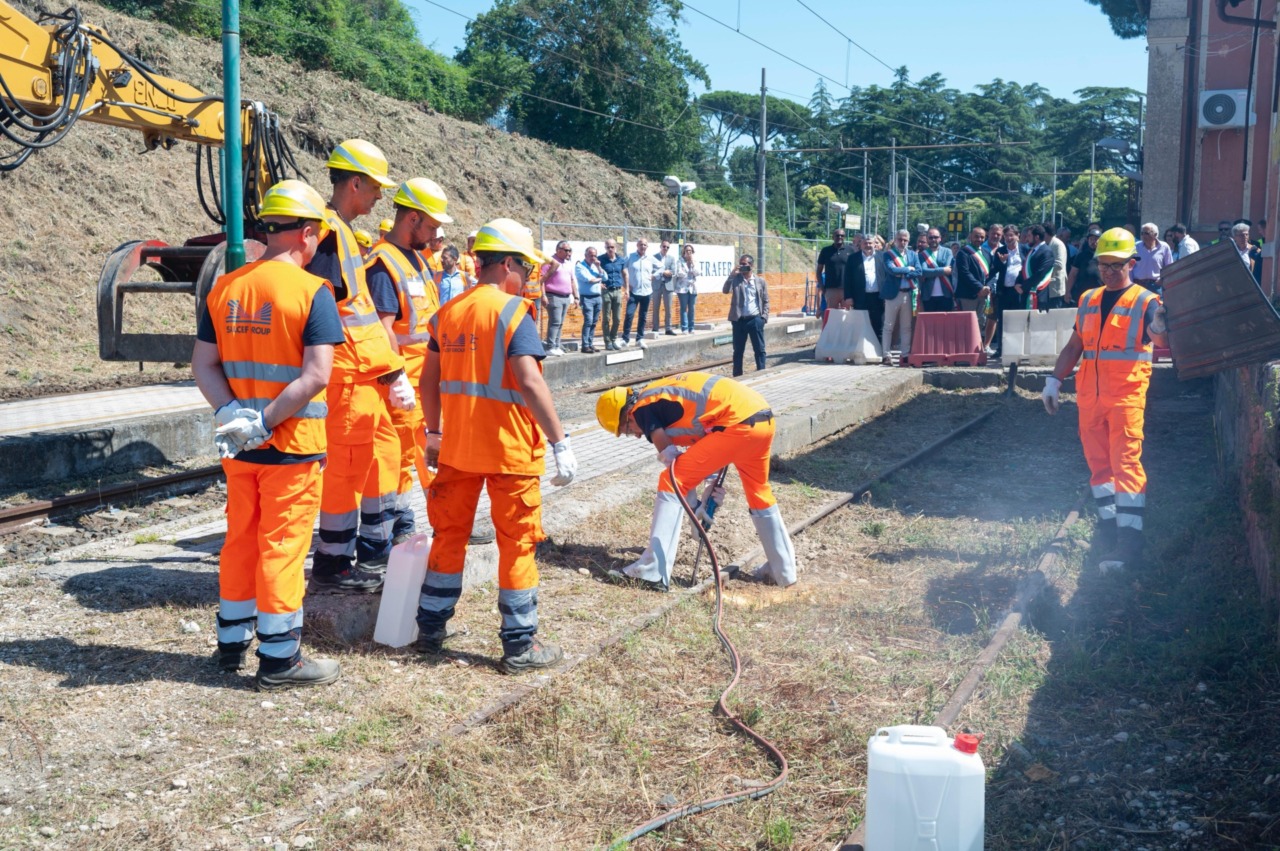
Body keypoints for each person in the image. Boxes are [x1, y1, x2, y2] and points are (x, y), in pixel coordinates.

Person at [191, 179, 343, 691]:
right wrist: (268, 419)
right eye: (318, 233)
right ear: (305, 233)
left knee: (240, 541)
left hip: (240, 447)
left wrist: (233, 412)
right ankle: (280, 657)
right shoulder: (312, 292)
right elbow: (316, 376)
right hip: (291, 445)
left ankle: (230, 643)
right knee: (282, 545)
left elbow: (203, 364)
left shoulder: (225, 287)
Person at [416, 217, 578, 674]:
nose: (527, 279)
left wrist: (434, 432)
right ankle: (520, 646)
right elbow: (529, 381)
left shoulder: (447, 313)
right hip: (509, 452)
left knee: (449, 537)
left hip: (457, 451)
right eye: (525, 269)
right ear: (507, 263)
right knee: (516, 545)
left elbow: (428, 381)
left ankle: (430, 627)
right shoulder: (513, 313)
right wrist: (560, 442)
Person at [306, 139, 406, 593]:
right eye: (375, 189)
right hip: (345, 375)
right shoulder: (330, 234)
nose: (379, 198)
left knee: (364, 462)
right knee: (345, 472)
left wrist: (387, 369)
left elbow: (354, 311)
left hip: (360, 374)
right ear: (355, 183)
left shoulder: (340, 232)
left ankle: (359, 551)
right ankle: (332, 563)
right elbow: (327, 312)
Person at [595, 372, 797, 590]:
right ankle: (783, 572)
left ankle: (651, 571)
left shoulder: (642, 407)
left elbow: (672, 463)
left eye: (626, 430)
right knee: (759, 493)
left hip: (735, 423)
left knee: (669, 481)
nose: (635, 435)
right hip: (761, 420)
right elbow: (707, 451)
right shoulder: (663, 398)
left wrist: (693, 508)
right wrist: (708, 489)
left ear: (627, 416)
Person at [1043, 227, 1167, 572]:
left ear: (1132, 262)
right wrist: (1054, 379)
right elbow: (1074, 346)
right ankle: (1108, 528)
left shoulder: (1146, 301)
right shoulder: (1088, 299)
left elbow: (1161, 339)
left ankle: (1129, 543)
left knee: (1126, 466)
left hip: (1126, 399)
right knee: (1099, 467)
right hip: (1090, 399)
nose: (1109, 271)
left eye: (1116, 264)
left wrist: (1160, 324)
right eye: (1103, 264)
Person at [365, 177, 450, 545]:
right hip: (401, 386)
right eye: (430, 226)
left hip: (424, 381)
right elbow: (383, 328)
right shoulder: (383, 264)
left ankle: (433, 521)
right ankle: (401, 527)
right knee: (402, 461)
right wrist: (397, 378)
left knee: (428, 456)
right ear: (412, 219)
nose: (435, 235)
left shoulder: (415, 258)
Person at [723, 253, 769, 376]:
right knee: (738, 351)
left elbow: (765, 300)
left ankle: (761, 373)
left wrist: (763, 318)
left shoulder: (760, 281)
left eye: (744, 264)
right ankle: (737, 376)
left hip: (755, 319)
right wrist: (731, 276)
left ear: (751, 265)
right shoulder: (736, 280)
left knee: (759, 349)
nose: (741, 266)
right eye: (740, 264)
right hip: (739, 320)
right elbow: (725, 290)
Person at [881, 229, 920, 364]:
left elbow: (919, 271)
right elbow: (891, 270)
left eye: (905, 240)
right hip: (893, 294)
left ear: (908, 241)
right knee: (888, 326)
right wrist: (909, 269)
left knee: (906, 326)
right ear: (895, 240)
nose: (902, 242)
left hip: (908, 294)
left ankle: (905, 355)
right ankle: (886, 355)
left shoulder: (913, 255)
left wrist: (904, 273)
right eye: (899, 239)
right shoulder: (888, 255)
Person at [843, 231, 886, 342]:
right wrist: (848, 297)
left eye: (870, 243)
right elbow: (847, 279)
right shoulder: (853, 258)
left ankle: (878, 352)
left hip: (878, 297)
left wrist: (887, 295)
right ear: (861, 244)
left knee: (878, 326)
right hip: (860, 297)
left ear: (874, 244)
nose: (868, 246)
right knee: (860, 326)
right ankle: (859, 351)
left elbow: (886, 277)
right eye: (865, 243)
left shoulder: (882, 257)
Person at [988, 226, 1023, 357]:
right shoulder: (1000, 251)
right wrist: (1002, 262)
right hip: (1004, 291)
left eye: (1011, 235)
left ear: (1017, 236)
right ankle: (1001, 349)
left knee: (1019, 319)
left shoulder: (1025, 250)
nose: (1008, 238)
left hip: (1019, 291)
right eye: (1006, 236)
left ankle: (1018, 348)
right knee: (1002, 320)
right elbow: (994, 270)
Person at [540, 240, 577, 356]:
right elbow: (541, 279)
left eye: (570, 250)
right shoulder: (550, 262)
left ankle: (556, 345)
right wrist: (543, 295)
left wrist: (576, 296)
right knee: (555, 322)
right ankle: (550, 346)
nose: (569, 253)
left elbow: (572, 281)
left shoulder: (567, 264)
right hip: (553, 296)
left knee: (560, 323)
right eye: (566, 250)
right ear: (558, 250)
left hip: (566, 297)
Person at [621, 238, 657, 348]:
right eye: (641, 244)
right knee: (629, 314)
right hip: (634, 291)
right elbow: (621, 269)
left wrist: (654, 275)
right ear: (637, 245)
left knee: (643, 316)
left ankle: (640, 339)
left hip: (646, 292)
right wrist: (625, 284)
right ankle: (625, 339)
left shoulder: (650, 258)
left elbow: (662, 267)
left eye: (645, 245)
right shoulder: (630, 257)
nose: (643, 247)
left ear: (647, 247)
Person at [954, 227, 991, 333]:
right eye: (976, 236)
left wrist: (988, 287)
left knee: (981, 322)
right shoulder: (963, 253)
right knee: (967, 323)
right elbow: (964, 273)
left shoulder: (986, 253)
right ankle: (965, 348)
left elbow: (991, 273)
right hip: (968, 295)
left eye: (982, 237)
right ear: (970, 236)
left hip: (984, 295)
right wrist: (980, 287)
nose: (979, 239)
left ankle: (976, 347)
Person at [816, 228, 854, 313]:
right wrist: (822, 287)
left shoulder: (850, 250)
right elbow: (819, 271)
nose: (839, 237)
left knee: (846, 316)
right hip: (831, 289)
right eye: (837, 235)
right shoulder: (825, 251)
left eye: (842, 236)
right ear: (833, 237)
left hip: (846, 289)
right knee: (832, 316)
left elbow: (854, 271)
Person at [917, 228, 954, 312]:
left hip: (946, 294)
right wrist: (942, 270)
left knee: (945, 323)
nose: (933, 239)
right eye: (930, 237)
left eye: (935, 237)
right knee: (929, 324)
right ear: (927, 239)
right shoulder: (922, 255)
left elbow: (948, 270)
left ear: (940, 238)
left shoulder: (948, 252)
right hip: (928, 296)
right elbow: (924, 271)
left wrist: (932, 271)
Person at [575, 245, 605, 353]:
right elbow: (589, 280)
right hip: (587, 297)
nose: (593, 258)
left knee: (594, 322)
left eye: (595, 256)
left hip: (597, 297)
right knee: (588, 321)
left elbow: (605, 277)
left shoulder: (595, 266)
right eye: (591, 255)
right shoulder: (580, 267)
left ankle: (591, 343)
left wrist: (599, 268)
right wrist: (599, 279)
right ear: (585, 255)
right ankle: (585, 345)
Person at [598, 238, 626, 350]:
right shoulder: (600, 259)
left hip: (618, 290)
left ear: (616, 247)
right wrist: (599, 283)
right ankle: (607, 341)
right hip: (606, 291)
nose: (610, 249)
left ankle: (614, 339)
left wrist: (627, 288)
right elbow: (594, 272)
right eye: (608, 247)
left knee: (618, 318)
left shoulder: (621, 260)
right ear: (605, 248)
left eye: (612, 247)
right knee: (606, 318)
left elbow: (625, 274)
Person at [1020, 225, 1055, 310]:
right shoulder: (1031, 251)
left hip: (1039, 295)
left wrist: (1023, 286)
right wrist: (1018, 283)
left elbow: (1040, 274)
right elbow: (1023, 269)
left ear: (1036, 237)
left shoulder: (1047, 251)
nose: (1026, 239)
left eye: (1029, 236)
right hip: (1027, 293)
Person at [1132, 223, 1173, 293]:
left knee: (1156, 304)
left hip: (1155, 286)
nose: (1143, 236)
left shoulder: (1164, 247)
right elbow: (1129, 266)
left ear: (1155, 235)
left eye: (1146, 233)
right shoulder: (1136, 247)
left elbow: (1169, 267)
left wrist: (1162, 280)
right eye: (1142, 233)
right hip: (1138, 285)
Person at [1067, 227, 1102, 305]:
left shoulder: (1104, 256)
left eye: (1096, 239)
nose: (1093, 241)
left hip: (1100, 292)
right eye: (1091, 239)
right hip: (1083, 292)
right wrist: (1068, 291)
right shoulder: (1081, 255)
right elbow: (1073, 274)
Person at [651, 239, 678, 335]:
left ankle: (668, 328)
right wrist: (663, 272)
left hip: (668, 285)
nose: (665, 248)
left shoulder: (671, 258)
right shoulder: (654, 257)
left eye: (667, 247)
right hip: (657, 285)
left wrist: (667, 272)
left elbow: (673, 271)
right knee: (655, 307)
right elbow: (652, 269)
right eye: (664, 246)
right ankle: (655, 328)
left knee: (668, 308)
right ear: (660, 246)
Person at [673, 243, 699, 333]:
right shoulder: (680, 261)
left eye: (690, 251)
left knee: (692, 308)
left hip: (693, 288)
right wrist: (688, 274)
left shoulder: (694, 261)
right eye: (687, 250)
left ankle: (691, 328)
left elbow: (697, 273)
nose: (688, 252)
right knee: (683, 308)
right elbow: (679, 273)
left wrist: (692, 263)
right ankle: (684, 328)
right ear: (684, 251)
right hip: (682, 288)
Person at [1044, 225, 1070, 310]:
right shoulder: (1046, 244)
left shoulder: (1057, 244)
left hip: (1055, 288)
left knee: (1055, 316)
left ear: (1046, 233)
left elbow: (1059, 264)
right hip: (1046, 288)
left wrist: (1043, 270)